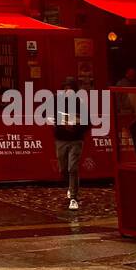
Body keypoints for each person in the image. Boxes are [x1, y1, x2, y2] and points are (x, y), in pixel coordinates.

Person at [54, 75, 90, 211]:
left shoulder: (80, 104)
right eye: (65, 89)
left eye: (70, 89)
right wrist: (60, 123)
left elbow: (88, 123)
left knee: (72, 168)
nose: (68, 91)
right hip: (61, 139)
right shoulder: (57, 101)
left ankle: (74, 198)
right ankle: (70, 186)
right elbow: (47, 115)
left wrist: (76, 127)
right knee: (63, 168)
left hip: (76, 140)